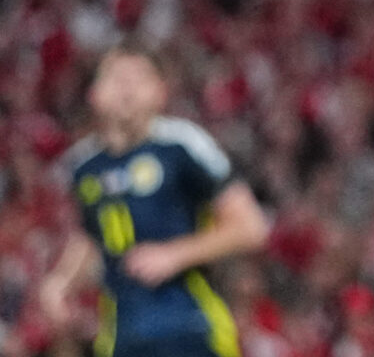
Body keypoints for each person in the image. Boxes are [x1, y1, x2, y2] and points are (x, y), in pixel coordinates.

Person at [38, 43, 271, 357]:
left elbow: (251, 227)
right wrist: (61, 282)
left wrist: (175, 254)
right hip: (121, 333)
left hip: (188, 325)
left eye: (140, 77)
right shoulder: (83, 166)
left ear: (161, 92)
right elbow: (93, 236)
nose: (128, 87)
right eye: (117, 77)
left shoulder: (182, 146)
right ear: (94, 93)